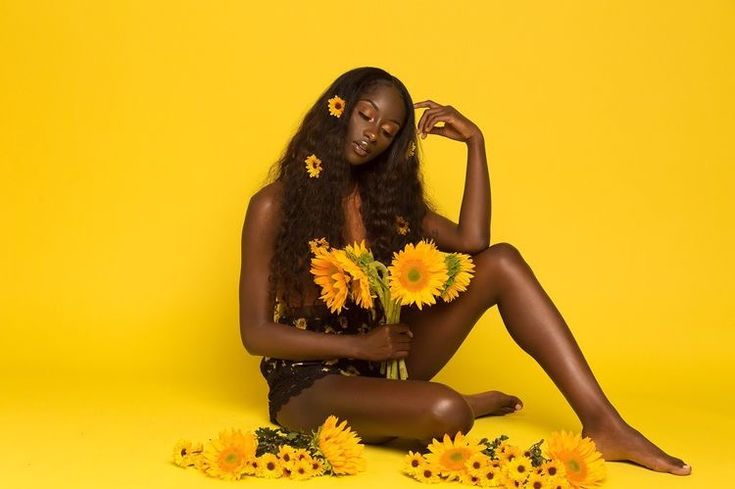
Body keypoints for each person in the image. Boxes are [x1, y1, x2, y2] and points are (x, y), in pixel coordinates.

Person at [238, 66, 690, 475]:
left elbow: (475, 243)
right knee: (447, 412)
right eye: (365, 115)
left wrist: (477, 142)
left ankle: (604, 424)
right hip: (310, 382)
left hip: (384, 363)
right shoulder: (272, 205)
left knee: (503, 262)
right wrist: (359, 345)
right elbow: (255, 335)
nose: (372, 133)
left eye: (389, 130)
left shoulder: (386, 205)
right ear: (338, 110)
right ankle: (441, 405)